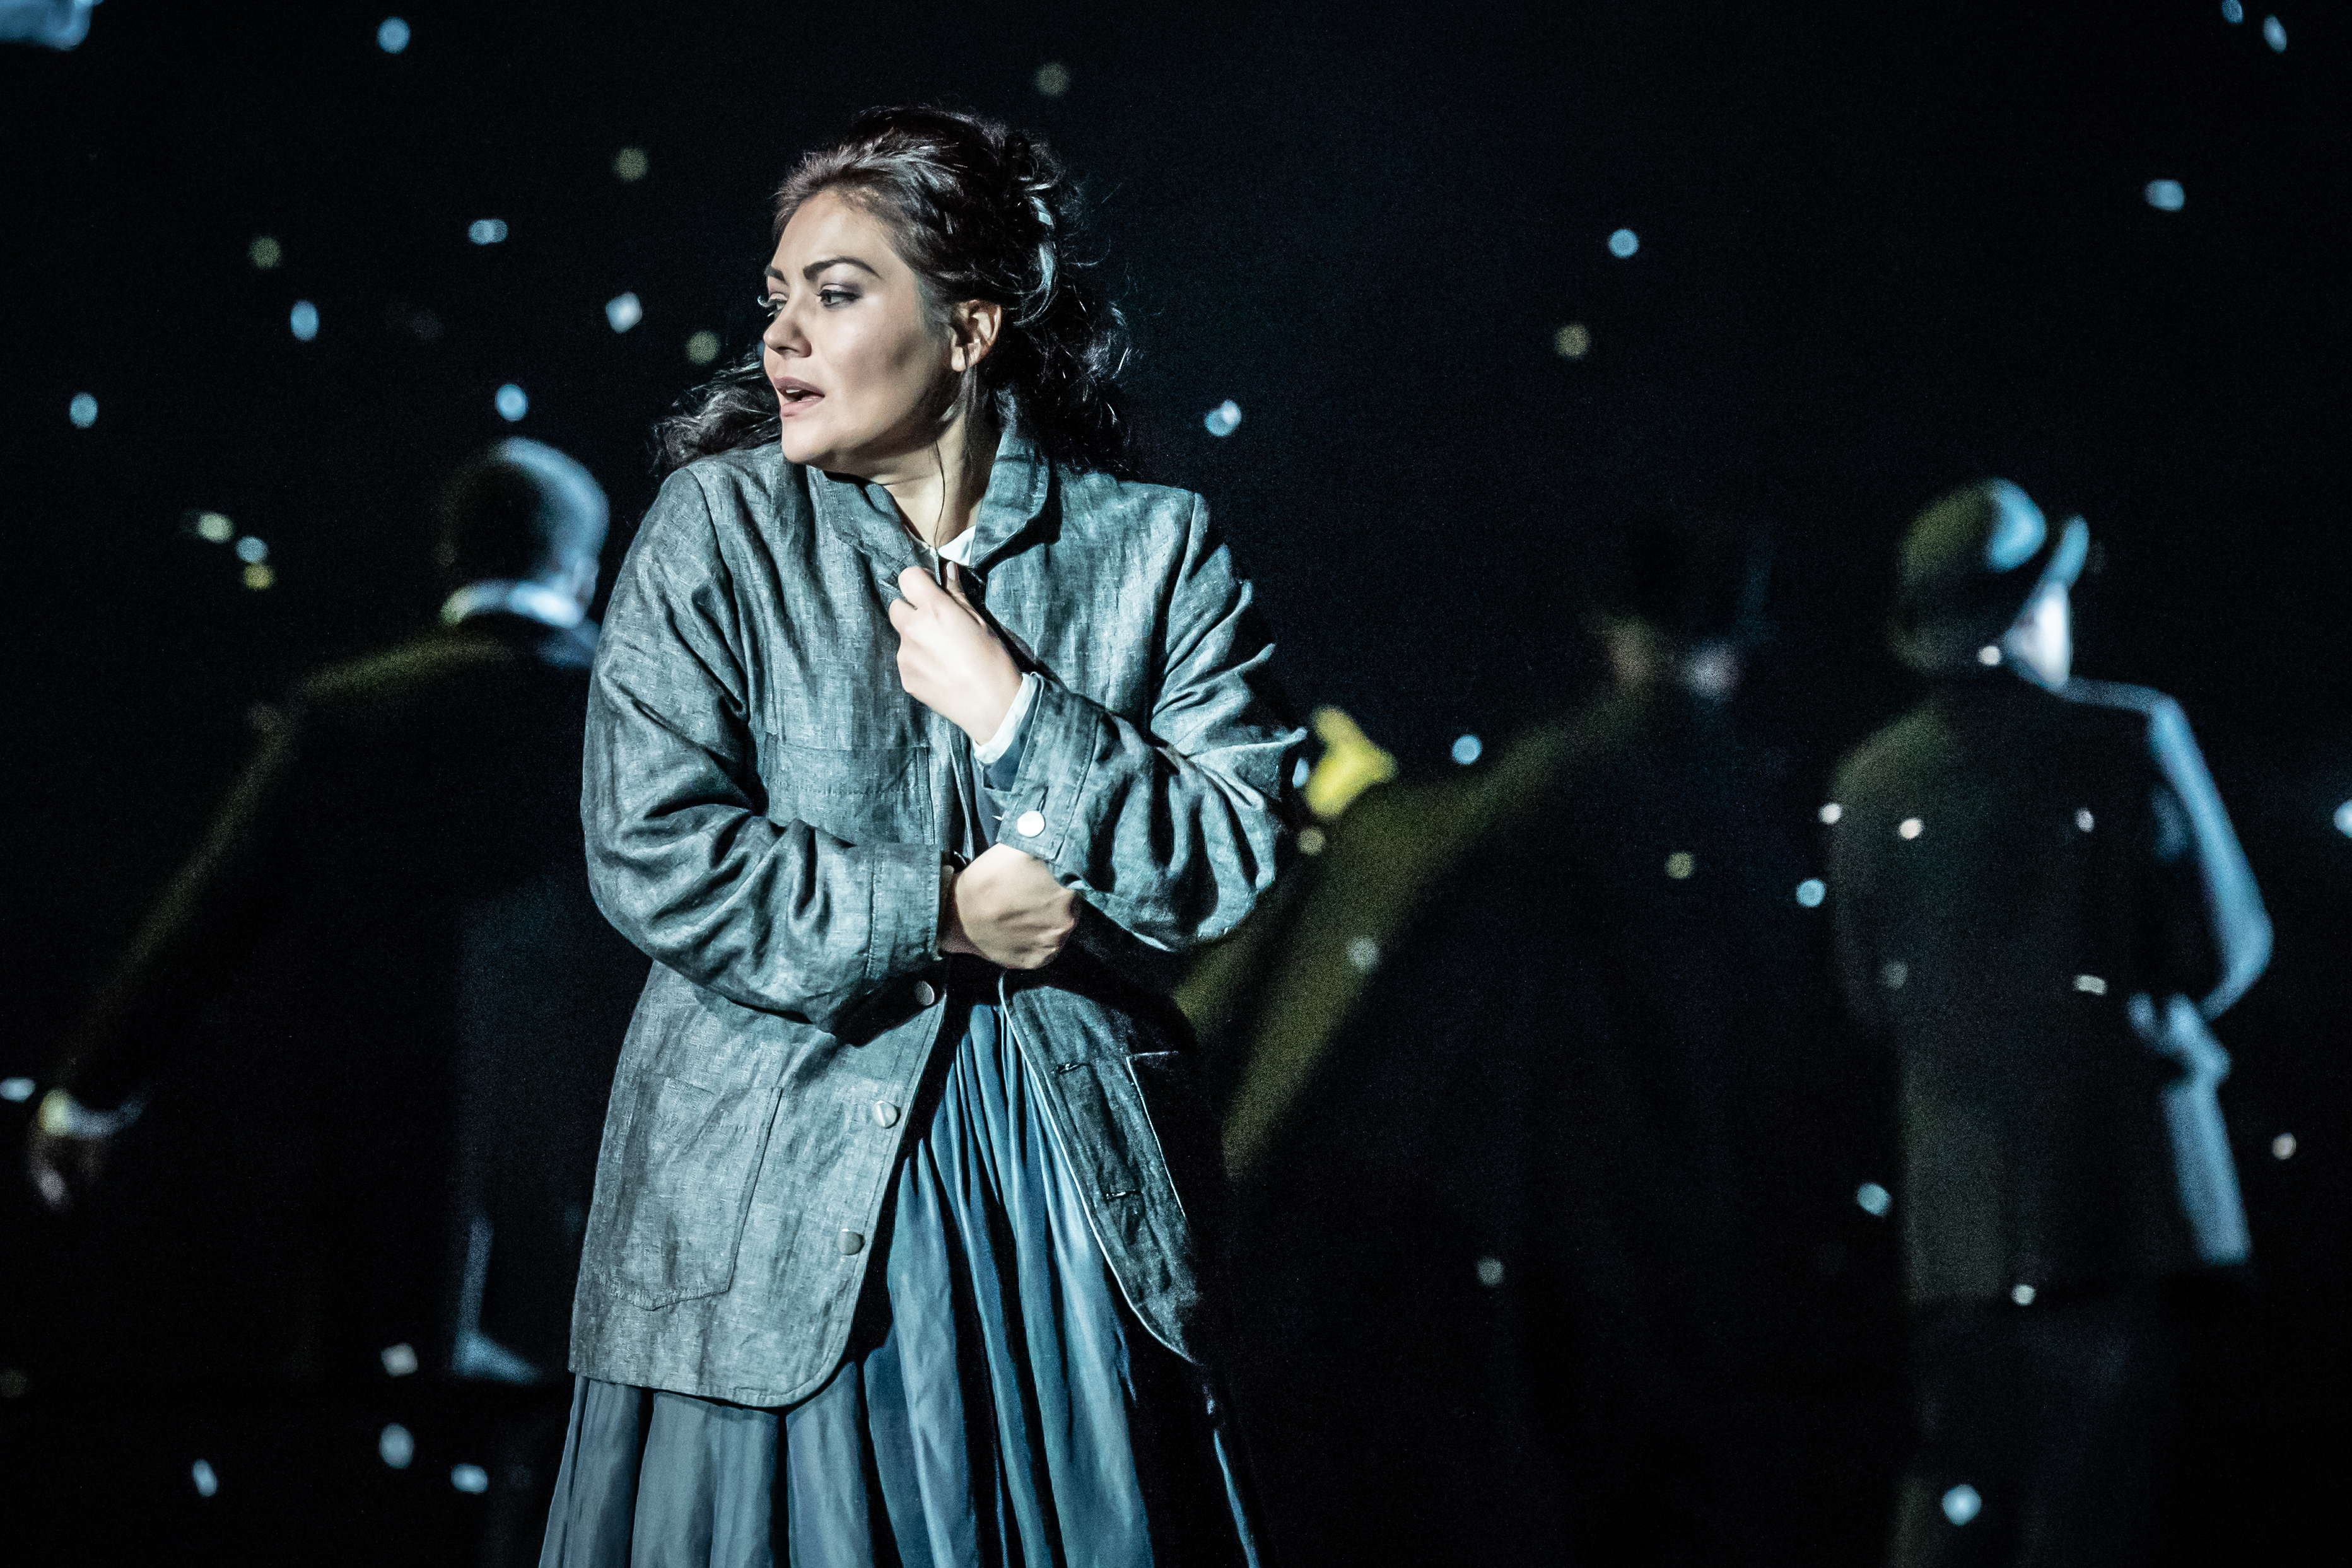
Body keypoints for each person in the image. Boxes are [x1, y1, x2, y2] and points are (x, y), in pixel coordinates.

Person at [539, 107, 1296, 1567]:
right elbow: (655, 850)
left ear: (967, 326)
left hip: (1062, 1217)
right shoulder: (717, 532)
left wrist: (1022, 716)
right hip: (763, 1194)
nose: (782, 339)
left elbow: (1227, 850)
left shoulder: (1152, 548)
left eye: (836, 292)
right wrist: (939, 909)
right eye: (776, 299)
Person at [1191, 513, 1898, 1565]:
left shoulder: (1556, 781)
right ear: (1740, 651)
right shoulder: (1746, 813)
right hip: (1707, 1213)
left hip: (1562, 1213)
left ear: (1613, 635)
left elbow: (1420, 915)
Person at [25, 438, 647, 1388]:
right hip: (595, 1149)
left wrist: (93, 1090)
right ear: (584, 568)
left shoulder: (344, 713)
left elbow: (215, 907)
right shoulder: (643, 713)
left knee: (371, 1447)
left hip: (375, 1144)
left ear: (450, 558)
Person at [1825, 480, 2270, 1568]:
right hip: (2119, 1206)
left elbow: (1866, 999)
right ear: (2032, 611)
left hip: (1954, 1218)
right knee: (2091, 1518)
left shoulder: (1871, 781)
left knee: (1952, 1506)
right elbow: (2226, 950)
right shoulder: (2130, 737)